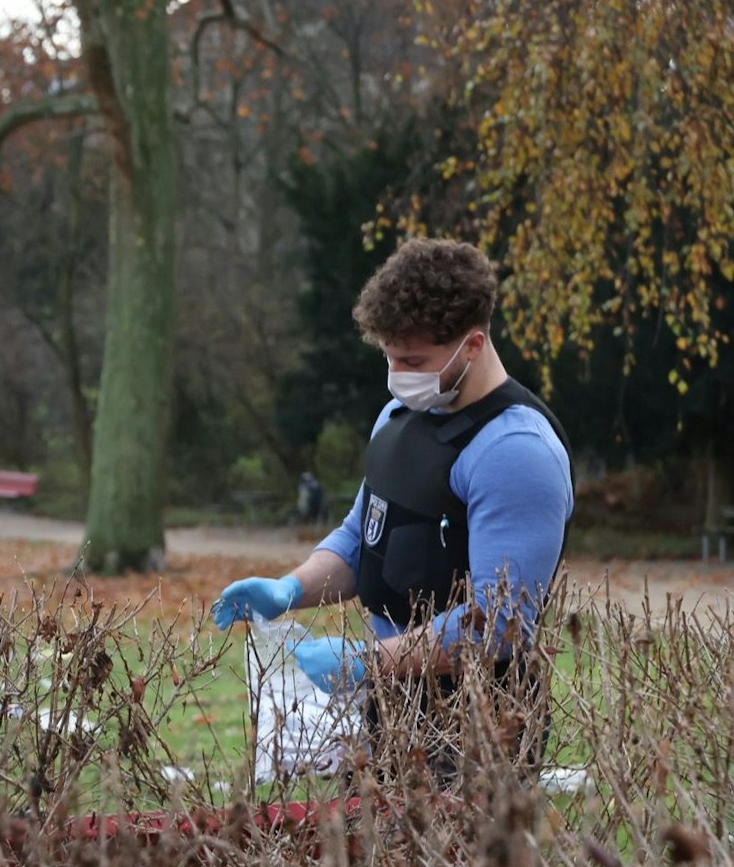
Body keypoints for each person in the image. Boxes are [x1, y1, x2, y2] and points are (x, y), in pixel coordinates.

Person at [214, 238, 572, 769]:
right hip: (392, 703)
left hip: (479, 725)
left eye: (413, 359)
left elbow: (499, 625)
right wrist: (290, 589)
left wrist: (366, 661)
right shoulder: (396, 418)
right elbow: (363, 540)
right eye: (389, 355)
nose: (398, 372)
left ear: (472, 346)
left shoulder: (515, 453)